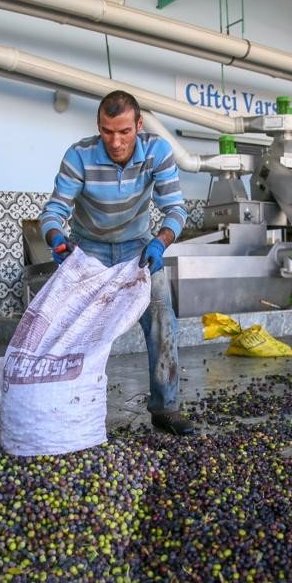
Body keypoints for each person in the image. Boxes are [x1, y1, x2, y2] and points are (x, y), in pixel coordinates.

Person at [38, 90, 195, 435]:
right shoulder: (79, 155)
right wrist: (57, 239)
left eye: (124, 131)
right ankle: (71, 405)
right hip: (87, 250)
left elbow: (176, 209)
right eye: (108, 131)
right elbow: (53, 212)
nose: (116, 141)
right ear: (99, 127)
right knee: (74, 327)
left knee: (161, 318)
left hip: (138, 249)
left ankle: (165, 407)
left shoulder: (157, 151)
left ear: (139, 125)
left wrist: (159, 242)